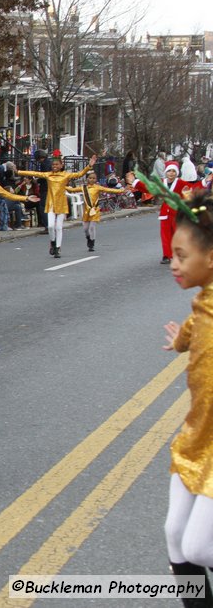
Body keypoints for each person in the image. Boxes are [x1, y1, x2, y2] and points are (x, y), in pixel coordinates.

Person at [162, 194, 213, 606]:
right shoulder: (203, 305)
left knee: (199, 548)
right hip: (196, 437)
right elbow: (196, 326)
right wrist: (179, 341)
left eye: (182, 255)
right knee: (175, 538)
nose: (174, 263)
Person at [17, 152, 95, 258]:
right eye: (53, 165)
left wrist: (89, 166)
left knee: (58, 227)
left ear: (61, 165)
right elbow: (34, 173)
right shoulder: (48, 175)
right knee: (50, 226)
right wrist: (18, 171)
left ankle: (58, 248)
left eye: (57, 164)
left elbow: (79, 174)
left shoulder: (66, 175)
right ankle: (53, 242)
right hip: (51, 203)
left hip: (62, 204)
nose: (55, 166)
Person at [129, 162, 196, 264]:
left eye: (174, 171)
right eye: (169, 171)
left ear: (177, 173)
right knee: (165, 235)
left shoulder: (181, 183)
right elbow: (149, 187)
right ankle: (166, 255)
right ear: (166, 172)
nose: (171, 173)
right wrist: (135, 182)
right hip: (165, 213)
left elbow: (193, 191)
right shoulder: (161, 182)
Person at [65, 171, 130, 252]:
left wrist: (122, 190)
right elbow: (73, 190)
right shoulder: (83, 187)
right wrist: (63, 186)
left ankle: (92, 242)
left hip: (94, 210)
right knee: (85, 229)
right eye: (90, 178)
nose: (92, 180)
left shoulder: (97, 187)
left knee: (92, 227)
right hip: (86, 211)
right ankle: (88, 238)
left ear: (96, 179)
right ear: (87, 179)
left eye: (94, 178)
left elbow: (109, 190)